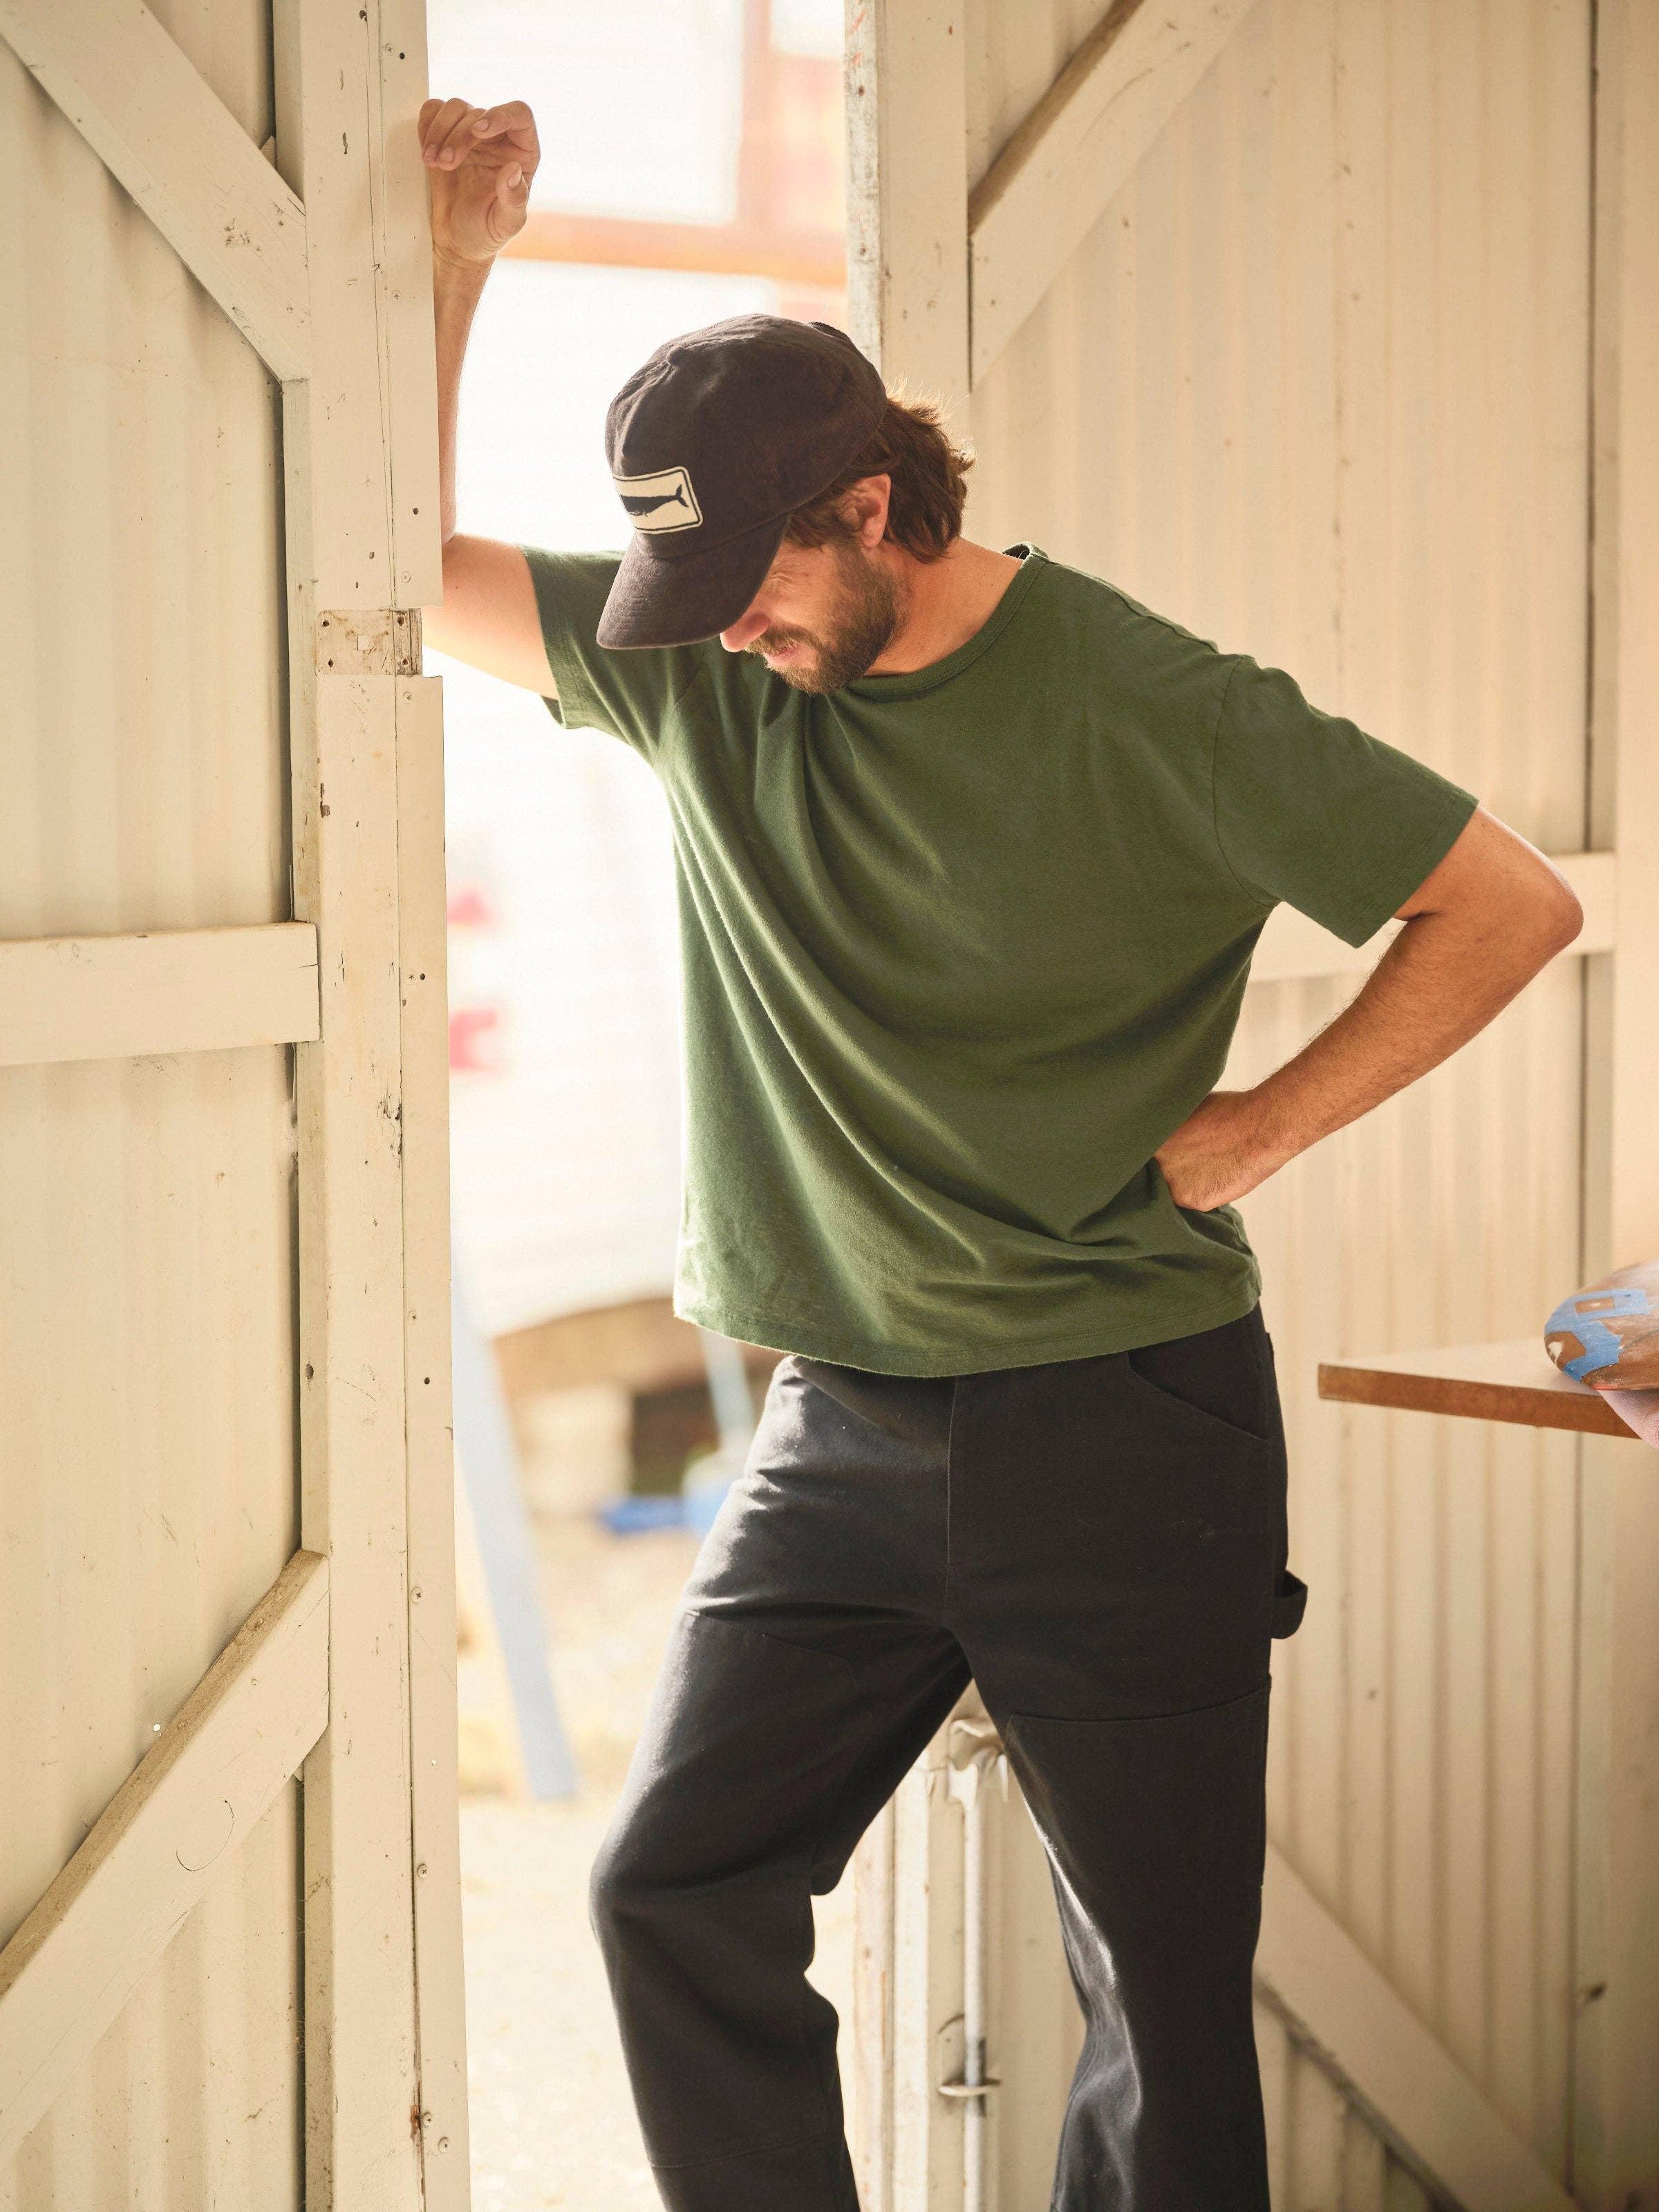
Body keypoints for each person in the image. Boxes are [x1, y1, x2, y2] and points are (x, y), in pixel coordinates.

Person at [420, 95, 1584, 2212]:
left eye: (755, 581)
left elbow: (1506, 902)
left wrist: (1265, 1124)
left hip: (1122, 1423)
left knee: (1158, 2005)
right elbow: (399, 572)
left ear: (874, 507)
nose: (723, 633)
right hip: (841, 1426)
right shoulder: (702, 676)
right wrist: (454, 267)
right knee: (669, 1891)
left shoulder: (1158, 705)